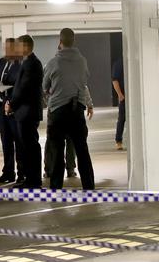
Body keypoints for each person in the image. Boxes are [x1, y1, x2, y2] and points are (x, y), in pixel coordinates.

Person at [43, 28, 95, 191]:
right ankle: (88, 186)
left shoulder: (53, 63)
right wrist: (88, 103)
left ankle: (56, 187)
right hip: (77, 111)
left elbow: (45, 86)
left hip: (58, 112)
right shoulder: (82, 61)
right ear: (74, 41)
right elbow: (84, 82)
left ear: (60, 42)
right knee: (82, 151)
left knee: (57, 151)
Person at [6, 35, 44, 189]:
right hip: (25, 111)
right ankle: (30, 178)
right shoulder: (28, 62)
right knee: (27, 146)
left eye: (19, 46)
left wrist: (11, 104)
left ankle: (33, 180)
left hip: (28, 112)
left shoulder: (32, 64)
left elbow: (24, 89)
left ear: (26, 47)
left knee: (30, 147)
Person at [0, 38, 24, 184]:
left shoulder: (20, 65)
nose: (6, 51)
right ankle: (8, 172)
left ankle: (22, 173)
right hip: (0, 107)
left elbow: (19, 86)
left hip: (14, 108)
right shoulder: (1, 62)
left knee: (19, 142)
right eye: (5, 48)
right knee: (6, 142)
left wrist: (10, 98)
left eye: (9, 48)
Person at [43, 86, 94, 179]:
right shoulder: (76, 73)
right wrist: (89, 105)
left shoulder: (52, 72)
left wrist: (50, 103)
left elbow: (45, 89)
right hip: (72, 108)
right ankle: (70, 169)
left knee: (52, 141)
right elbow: (83, 87)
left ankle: (49, 169)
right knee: (71, 140)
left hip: (55, 109)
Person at [112, 58, 125, 151]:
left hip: (135, 97)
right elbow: (115, 80)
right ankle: (118, 141)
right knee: (122, 119)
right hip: (124, 96)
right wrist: (120, 94)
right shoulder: (119, 63)